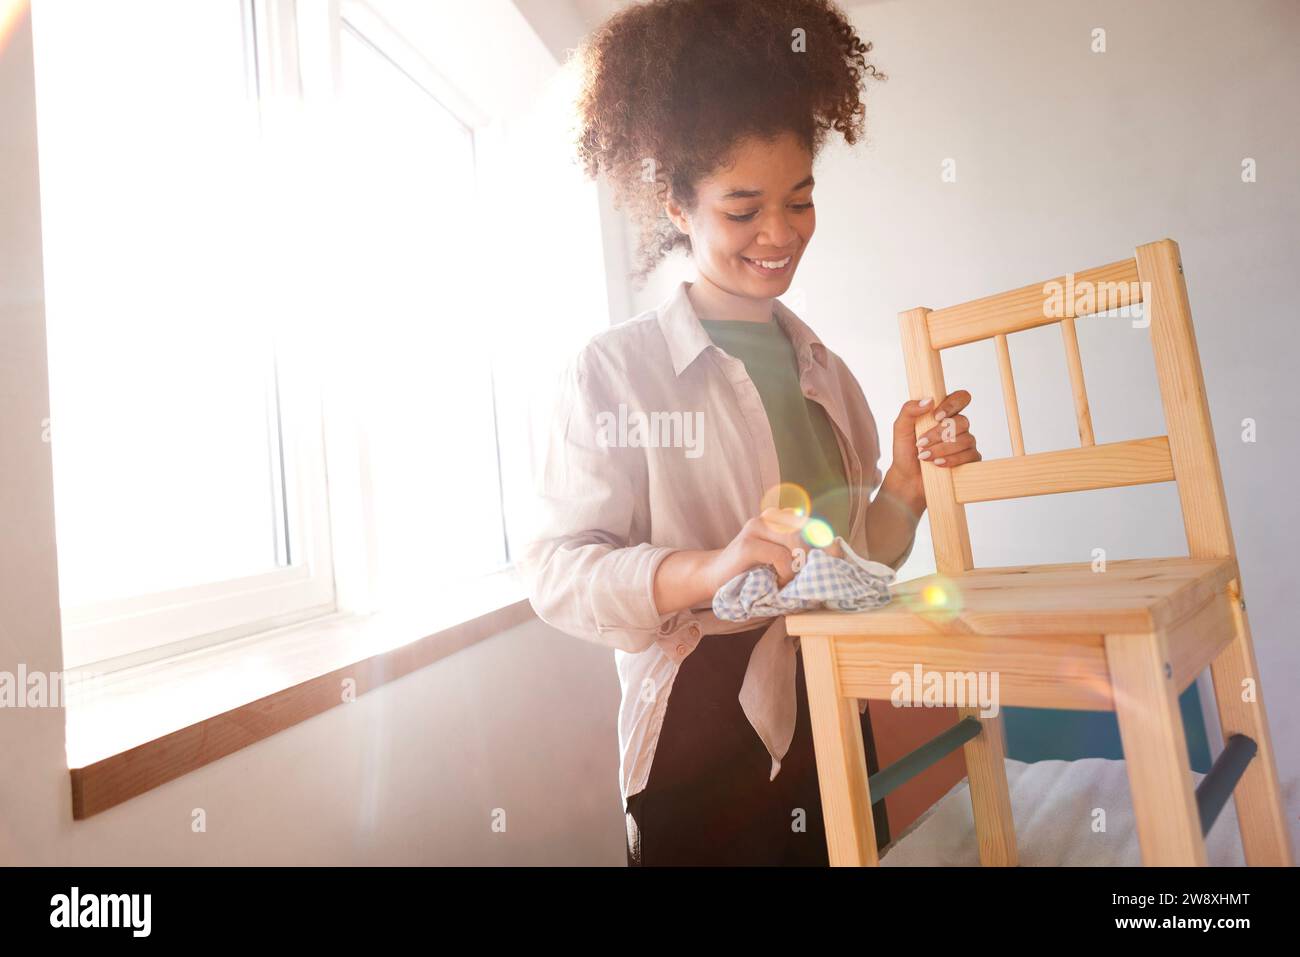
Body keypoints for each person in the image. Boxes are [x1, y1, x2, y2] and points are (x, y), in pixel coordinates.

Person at [520, 0, 982, 866]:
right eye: (743, 209)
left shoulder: (827, 372)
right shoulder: (613, 373)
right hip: (701, 738)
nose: (780, 234)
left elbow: (856, 565)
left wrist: (903, 494)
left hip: (832, 705)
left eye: (800, 200)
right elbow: (555, 572)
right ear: (675, 201)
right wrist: (712, 566)